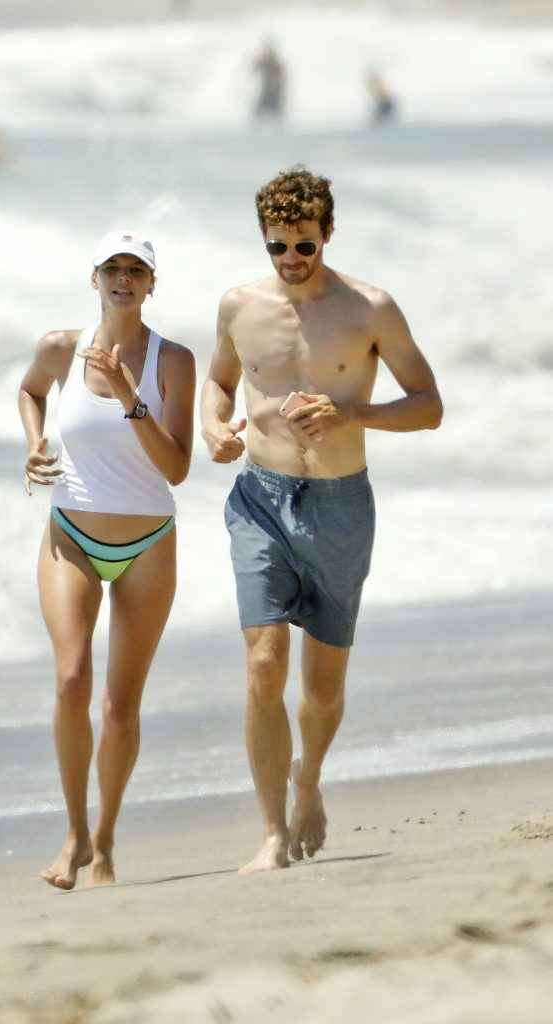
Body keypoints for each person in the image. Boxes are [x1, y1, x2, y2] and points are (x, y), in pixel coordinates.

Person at [201, 166, 442, 874]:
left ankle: (308, 776)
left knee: (323, 688)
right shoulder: (239, 306)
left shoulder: (370, 308)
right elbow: (218, 383)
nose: (291, 259)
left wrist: (351, 412)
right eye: (277, 246)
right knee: (263, 661)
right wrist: (213, 428)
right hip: (259, 498)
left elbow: (428, 405)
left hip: (340, 504)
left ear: (327, 234)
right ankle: (272, 832)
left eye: (304, 245)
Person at [19, 231, 195, 889]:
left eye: (136, 270)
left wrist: (128, 395)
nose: (124, 278)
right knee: (71, 679)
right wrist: (34, 442)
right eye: (112, 268)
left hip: (148, 543)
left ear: (151, 284)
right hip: (70, 532)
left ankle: (107, 841)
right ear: (93, 278)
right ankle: (74, 835)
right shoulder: (60, 348)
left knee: (121, 705)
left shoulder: (173, 361)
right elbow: (30, 391)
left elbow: (176, 467)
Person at [252, 41, 286, 121]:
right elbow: (255, 68)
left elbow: (281, 77)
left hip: (274, 91)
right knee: (259, 112)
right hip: (267, 90)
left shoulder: (276, 64)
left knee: (276, 112)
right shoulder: (265, 61)